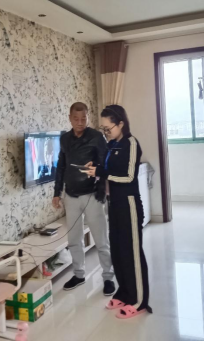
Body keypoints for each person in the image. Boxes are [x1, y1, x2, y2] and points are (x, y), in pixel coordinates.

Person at [86, 105, 152, 319]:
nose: (106, 132)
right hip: (113, 203)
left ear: (121, 123)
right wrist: (95, 168)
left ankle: (139, 301)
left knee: (132, 253)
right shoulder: (112, 144)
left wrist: (102, 172)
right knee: (118, 250)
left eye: (108, 128)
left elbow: (128, 177)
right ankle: (124, 293)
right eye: (103, 129)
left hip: (129, 204)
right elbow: (108, 170)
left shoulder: (130, 143)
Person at [53, 102, 116, 296]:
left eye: (83, 118)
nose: (80, 122)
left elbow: (107, 164)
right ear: (70, 118)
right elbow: (61, 166)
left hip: (92, 195)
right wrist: (56, 193)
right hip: (71, 195)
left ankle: (108, 277)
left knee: (101, 239)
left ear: (88, 117)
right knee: (74, 239)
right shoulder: (64, 139)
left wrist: (102, 188)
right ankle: (79, 274)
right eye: (76, 119)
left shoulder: (96, 137)